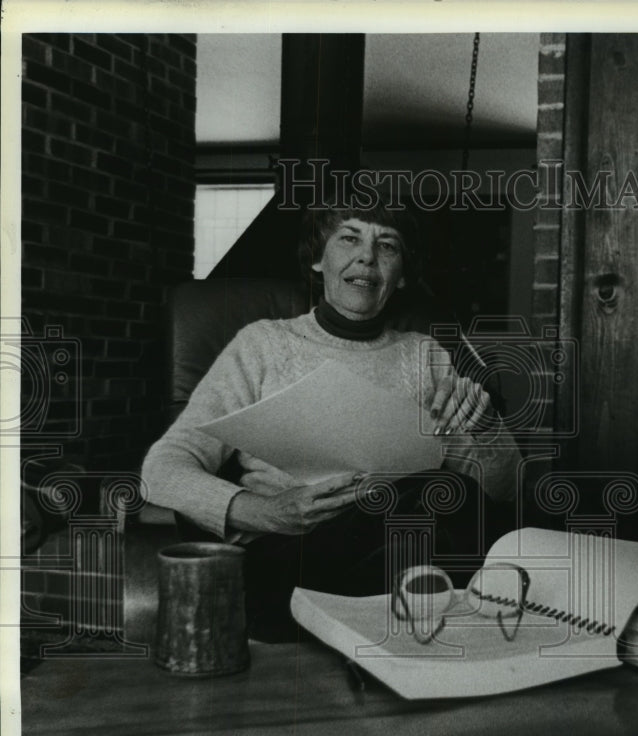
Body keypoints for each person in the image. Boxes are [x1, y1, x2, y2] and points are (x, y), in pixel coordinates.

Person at [141, 199, 522, 640]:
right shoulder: (263, 345)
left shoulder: (425, 356)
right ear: (319, 260)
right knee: (438, 510)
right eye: (349, 237)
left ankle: (375, 638)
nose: (367, 256)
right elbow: (161, 469)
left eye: (388, 245)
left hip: (401, 545)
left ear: (400, 278)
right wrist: (265, 513)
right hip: (289, 556)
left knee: (451, 500)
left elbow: (503, 491)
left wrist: (486, 425)